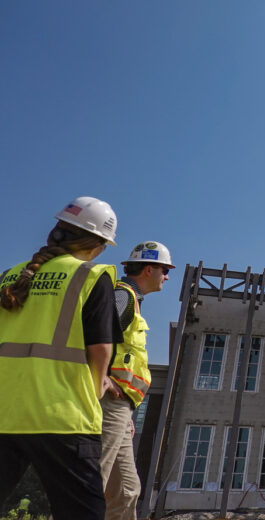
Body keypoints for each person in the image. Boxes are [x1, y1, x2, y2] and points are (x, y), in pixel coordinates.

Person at [0, 196, 122, 520]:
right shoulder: (90, 275)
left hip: (5, 412)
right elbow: (101, 350)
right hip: (63, 416)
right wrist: (95, 390)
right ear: (96, 243)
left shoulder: (9, 276)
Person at [100, 241, 174, 520]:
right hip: (106, 401)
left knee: (127, 490)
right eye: (164, 270)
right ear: (148, 268)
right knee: (93, 483)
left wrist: (128, 409)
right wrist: (103, 378)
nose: (166, 276)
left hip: (120, 407)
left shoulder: (131, 300)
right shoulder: (123, 296)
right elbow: (96, 335)